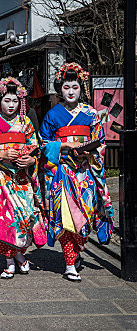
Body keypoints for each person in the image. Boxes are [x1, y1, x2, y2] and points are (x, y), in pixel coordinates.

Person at [39, 62, 114, 282]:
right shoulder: (52, 115)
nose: (71, 91)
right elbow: (43, 144)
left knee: (85, 216)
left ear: (81, 88)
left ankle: (76, 251)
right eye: (66, 87)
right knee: (65, 219)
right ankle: (69, 263)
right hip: (62, 172)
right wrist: (64, 147)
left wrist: (88, 151)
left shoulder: (91, 114)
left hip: (85, 172)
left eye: (75, 87)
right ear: (59, 89)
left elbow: (100, 142)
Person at [0, 77, 47, 279]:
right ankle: (9, 261)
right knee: (5, 218)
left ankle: (20, 254)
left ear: (20, 102)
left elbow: (35, 146)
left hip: (21, 178)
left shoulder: (25, 122)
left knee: (25, 216)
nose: (11, 105)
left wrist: (30, 160)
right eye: (6, 100)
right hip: (1, 177)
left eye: (14, 101)